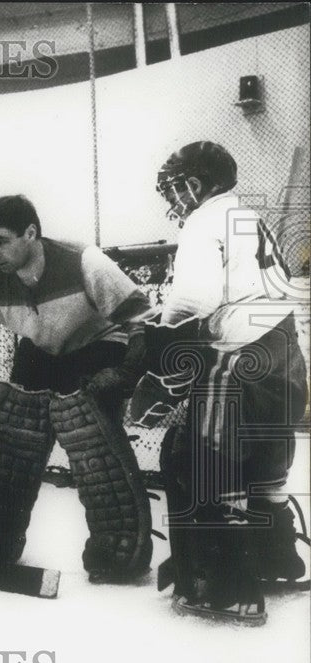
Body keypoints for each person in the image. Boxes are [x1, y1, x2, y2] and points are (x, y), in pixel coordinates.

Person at [0, 195, 156, 583]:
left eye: (2, 241)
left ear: (31, 233)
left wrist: (125, 372)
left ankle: (117, 551)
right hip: (41, 352)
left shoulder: (83, 260)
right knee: (10, 434)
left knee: (92, 443)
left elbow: (140, 314)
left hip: (97, 345)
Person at [150, 141, 308, 625]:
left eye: (177, 189)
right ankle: (275, 559)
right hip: (286, 355)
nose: (174, 201)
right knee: (263, 460)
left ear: (196, 184)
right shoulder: (245, 215)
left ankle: (224, 587)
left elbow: (196, 298)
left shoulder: (204, 221)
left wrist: (158, 331)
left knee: (192, 458)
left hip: (241, 363)